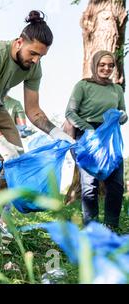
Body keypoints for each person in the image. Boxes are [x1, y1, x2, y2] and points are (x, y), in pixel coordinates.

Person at [0, 10, 75, 255]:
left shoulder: (34, 67)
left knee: (15, 165)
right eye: (33, 53)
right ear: (19, 42)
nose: (35, 60)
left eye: (41, 56)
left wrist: (55, 132)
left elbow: (32, 110)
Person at [65, 50, 127, 231]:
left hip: (110, 138)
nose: (106, 68)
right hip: (88, 136)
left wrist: (121, 116)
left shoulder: (116, 89)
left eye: (110, 65)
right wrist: (88, 129)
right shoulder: (83, 86)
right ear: (95, 65)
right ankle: (91, 227)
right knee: (89, 185)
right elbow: (70, 112)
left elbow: (124, 114)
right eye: (102, 64)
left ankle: (110, 225)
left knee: (115, 183)